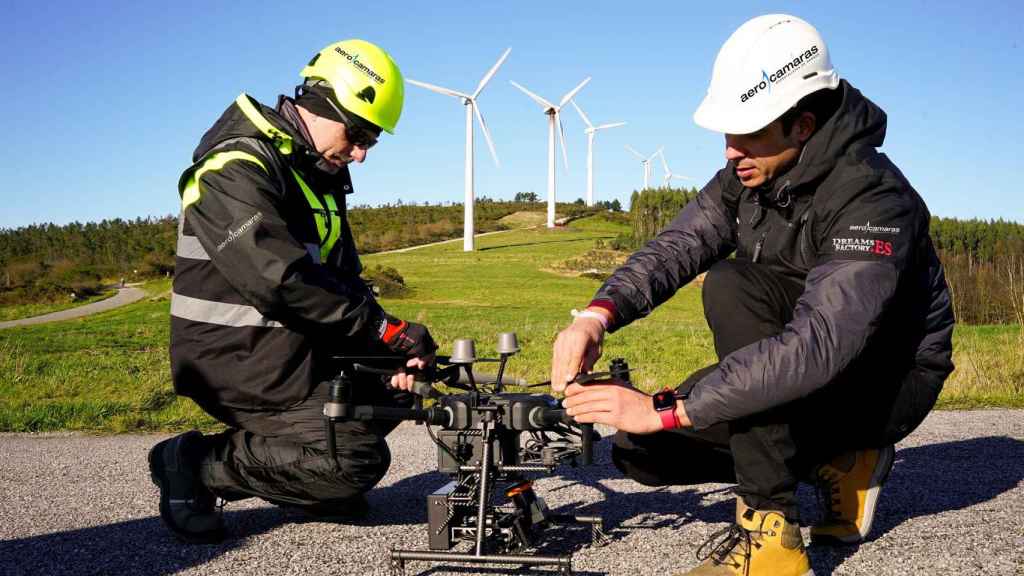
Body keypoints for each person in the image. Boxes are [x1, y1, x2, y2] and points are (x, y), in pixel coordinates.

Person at [550, 14, 954, 576]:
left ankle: (772, 539)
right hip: (816, 365)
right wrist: (597, 314)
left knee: (730, 288)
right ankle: (842, 463)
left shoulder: (874, 199)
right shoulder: (749, 176)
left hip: (884, 378)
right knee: (640, 450)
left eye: (749, 133)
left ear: (803, 125)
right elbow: (677, 247)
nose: (731, 151)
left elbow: (820, 345)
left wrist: (665, 409)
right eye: (727, 133)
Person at [149, 39, 437, 544]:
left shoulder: (316, 175)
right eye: (361, 133)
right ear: (323, 103)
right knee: (352, 460)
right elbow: (280, 279)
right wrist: (377, 329)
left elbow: (342, 282)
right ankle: (196, 464)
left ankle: (311, 481)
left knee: (400, 389)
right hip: (237, 358)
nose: (363, 154)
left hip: (294, 352)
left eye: (374, 140)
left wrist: (392, 342)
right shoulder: (233, 168)